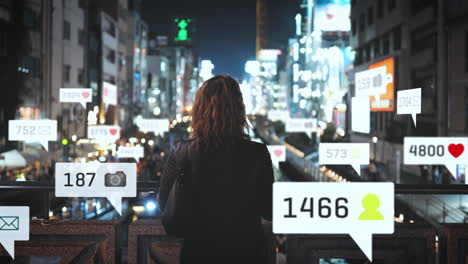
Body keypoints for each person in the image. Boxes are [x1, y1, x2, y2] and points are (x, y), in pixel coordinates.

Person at [158, 75, 274, 263]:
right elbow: (269, 209)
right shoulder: (257, 152)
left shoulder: (182, 151)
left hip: (198, 250)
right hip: (247, 251)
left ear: (199, 110)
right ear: (239, 110)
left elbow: (164, 201)